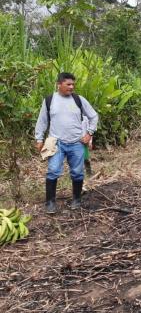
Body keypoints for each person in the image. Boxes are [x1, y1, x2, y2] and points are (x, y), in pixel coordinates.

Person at [35, 72, 99, 213]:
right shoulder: (49, 100)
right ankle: (50, 203)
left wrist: (89, 134)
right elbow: (42, 121)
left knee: (77, 172)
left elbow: (94, 116)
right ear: (59, 84)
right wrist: (39, 139)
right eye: (68, 84)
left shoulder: (78, 99)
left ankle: (76, 199)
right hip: (56, 143)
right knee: (53, 171)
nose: (71, 87)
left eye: (73, 84)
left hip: (76, 143)